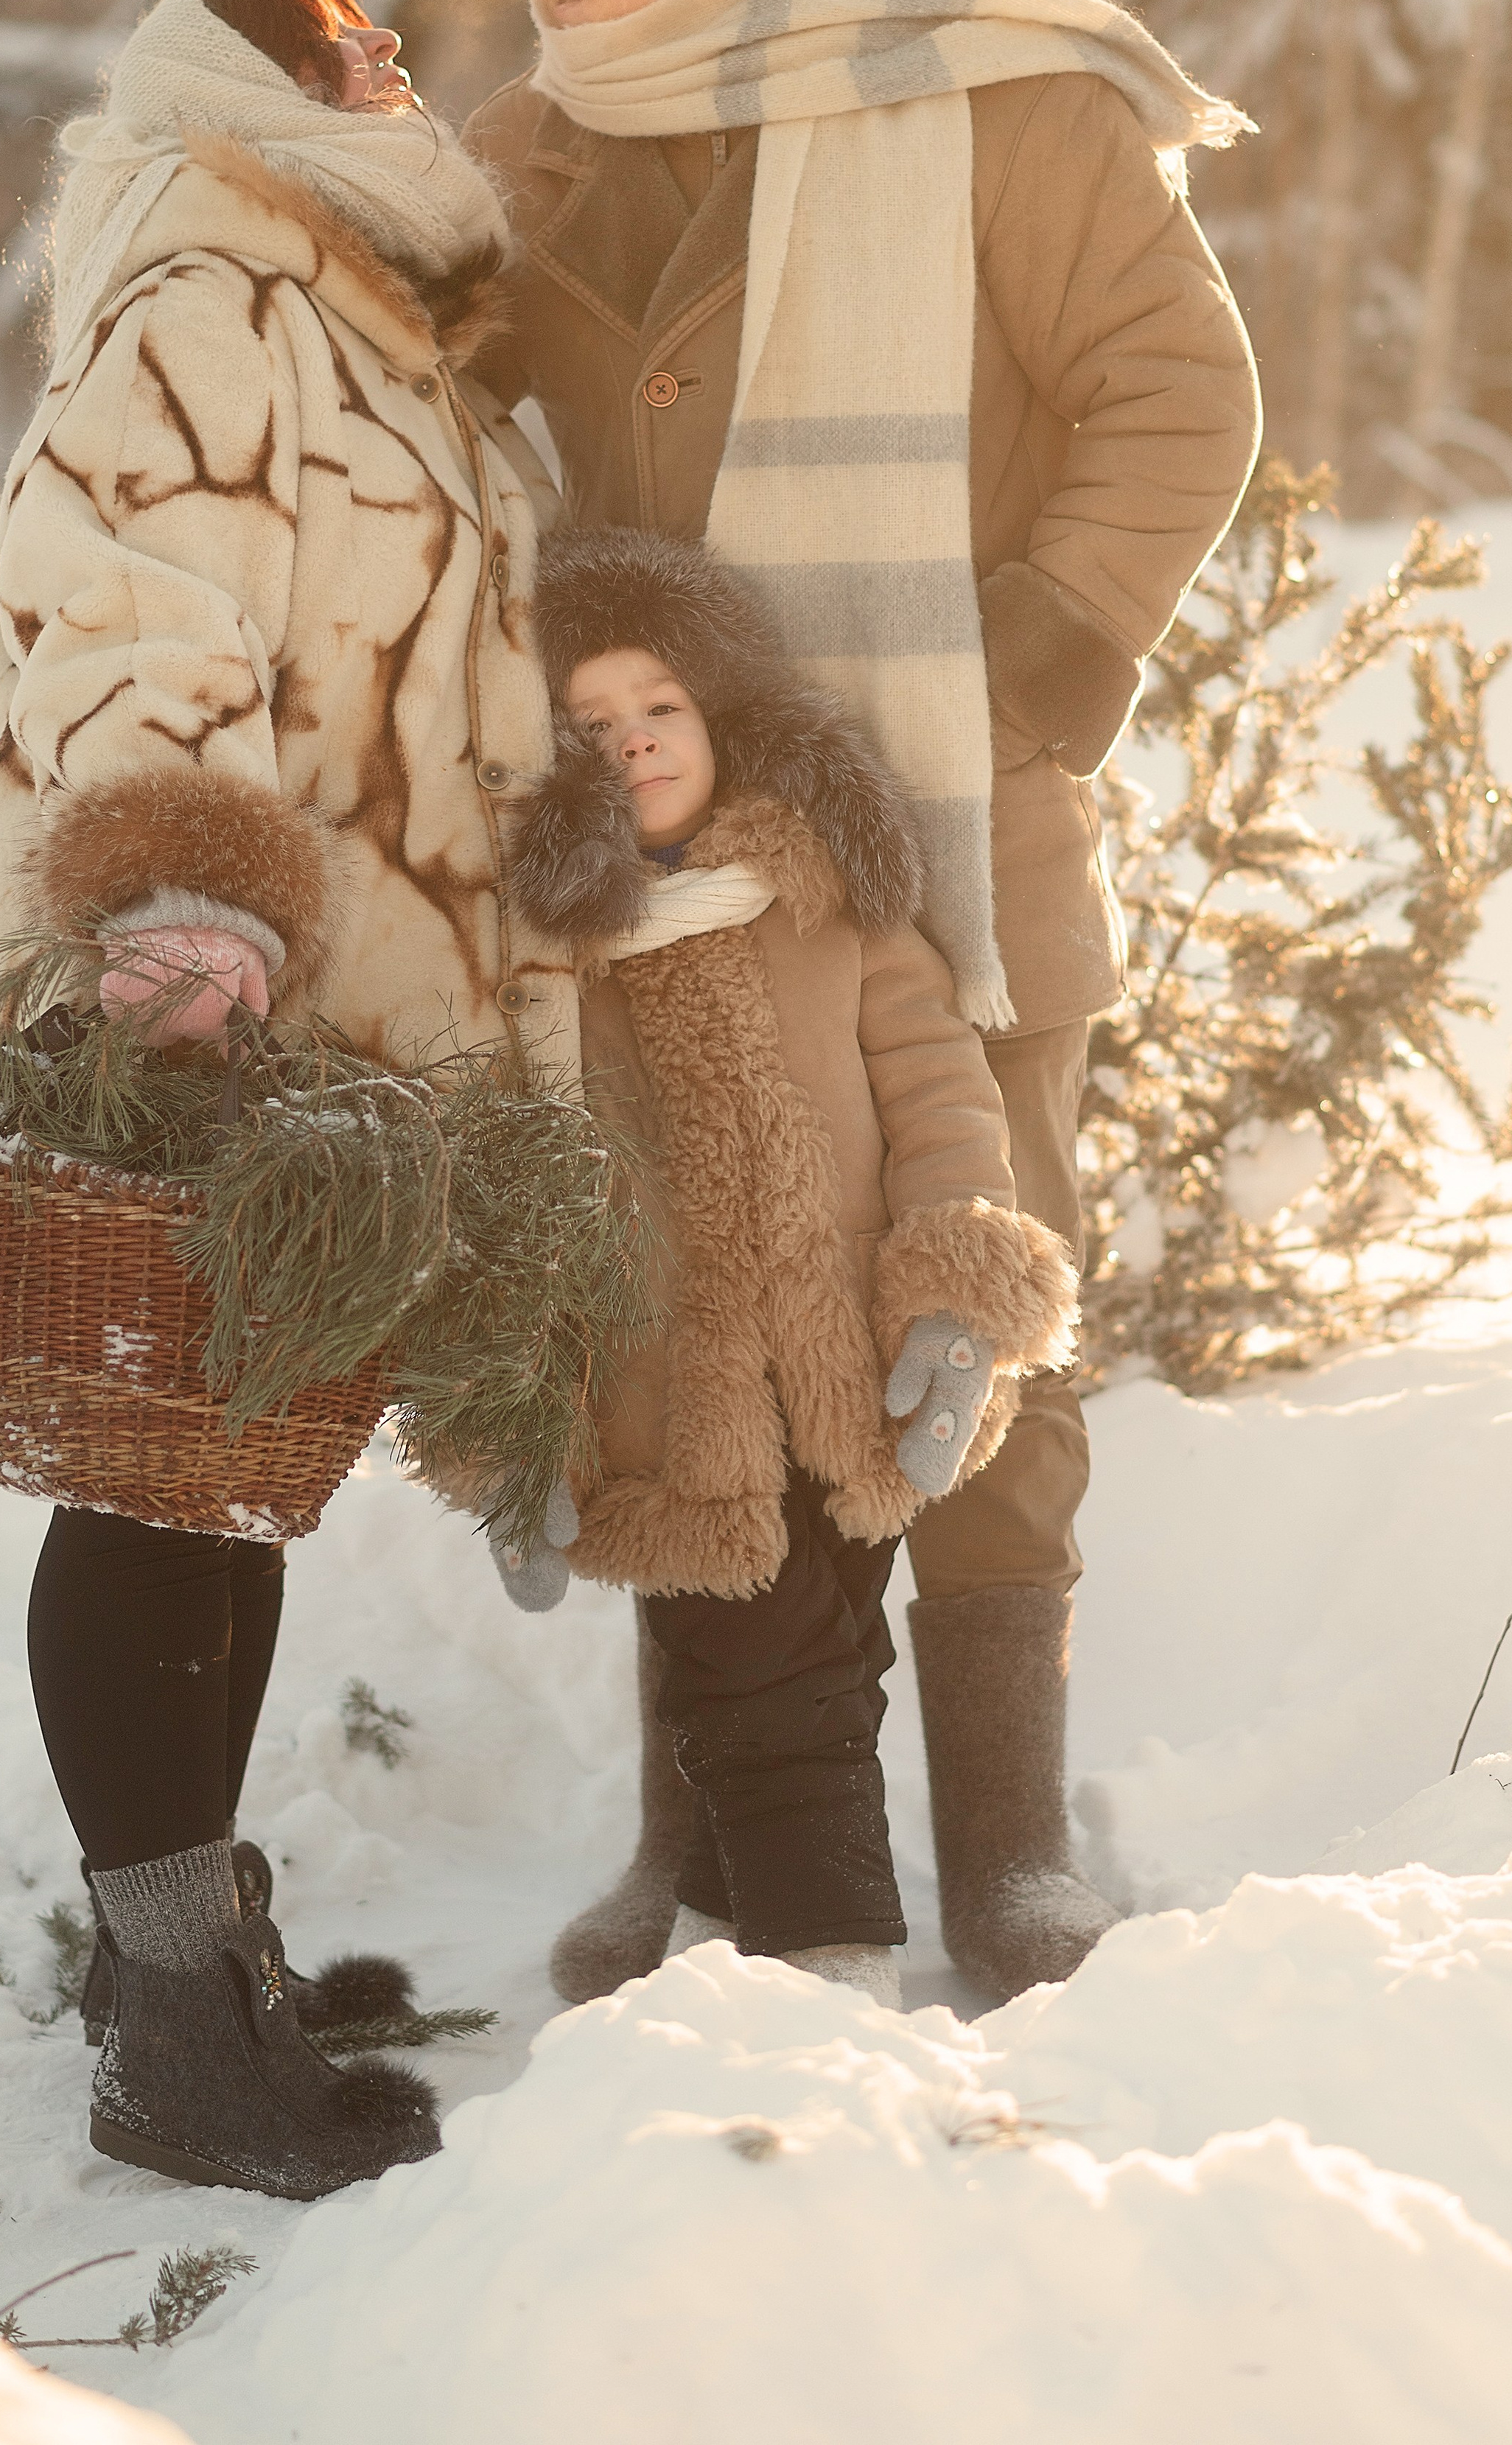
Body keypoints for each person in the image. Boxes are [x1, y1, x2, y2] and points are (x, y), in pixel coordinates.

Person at [466, 0, 1264, 2006]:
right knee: (669, 1302)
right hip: (659, 857)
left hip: (952, 833)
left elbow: (1176, 389)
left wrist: (1023, 669)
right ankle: (699, 1834)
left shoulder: (984, 92)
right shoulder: (548, 144)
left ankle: (1006, 1842)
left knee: (976, 1280)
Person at [0, 0, 572, 2196]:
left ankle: (180, 1947)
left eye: (385, 36)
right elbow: (119, 606)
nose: (396, 64)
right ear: (254, 83)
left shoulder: (359, 311)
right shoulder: (207, 297)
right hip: (189, 996)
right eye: (348, 43)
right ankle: (172, 2037)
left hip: (318, 1036)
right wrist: (183, 915)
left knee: (235, 1471)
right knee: (151, 1481)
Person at [501, 524, 1078, 2007]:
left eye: (659, 709)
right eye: (593, 724)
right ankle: (828, 1957)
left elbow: (942, 1092)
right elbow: (510, 1178)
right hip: (663, 1396)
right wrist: (511, 1413)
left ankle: (710, 1910)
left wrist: (953, 1291)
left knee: (815, 1652)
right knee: (771, 1677)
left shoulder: (830, 898)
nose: (632, 742)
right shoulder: (555, 955)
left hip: (848, 1374)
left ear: (718, 712)